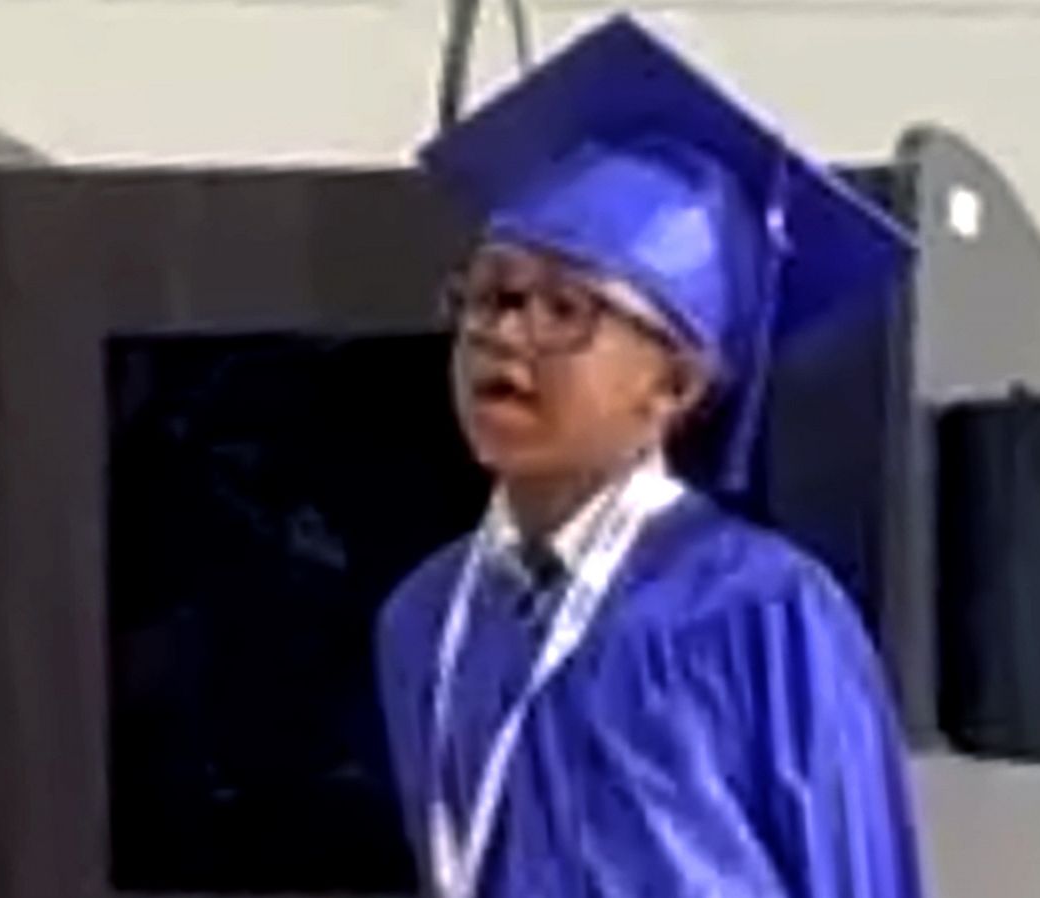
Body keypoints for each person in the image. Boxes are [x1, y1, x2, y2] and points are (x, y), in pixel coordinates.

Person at [377, 14, 924, 898]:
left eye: (566, 311)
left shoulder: (764, 610)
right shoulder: (425, 620)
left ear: (673, 385)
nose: (506, 334)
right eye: (492, 296)